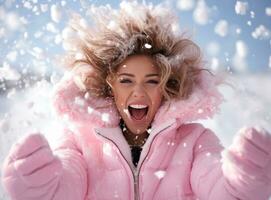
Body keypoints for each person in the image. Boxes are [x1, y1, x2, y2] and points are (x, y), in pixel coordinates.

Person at [2, 2, 271, 200]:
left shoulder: (195, 141)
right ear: (110, 87)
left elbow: (217, 185)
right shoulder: (79, 141)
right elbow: (66, 184)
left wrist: (243, 179)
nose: (139, 93)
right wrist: (39, 185)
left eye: (152, 81)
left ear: (166, 88)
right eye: (126, 80)